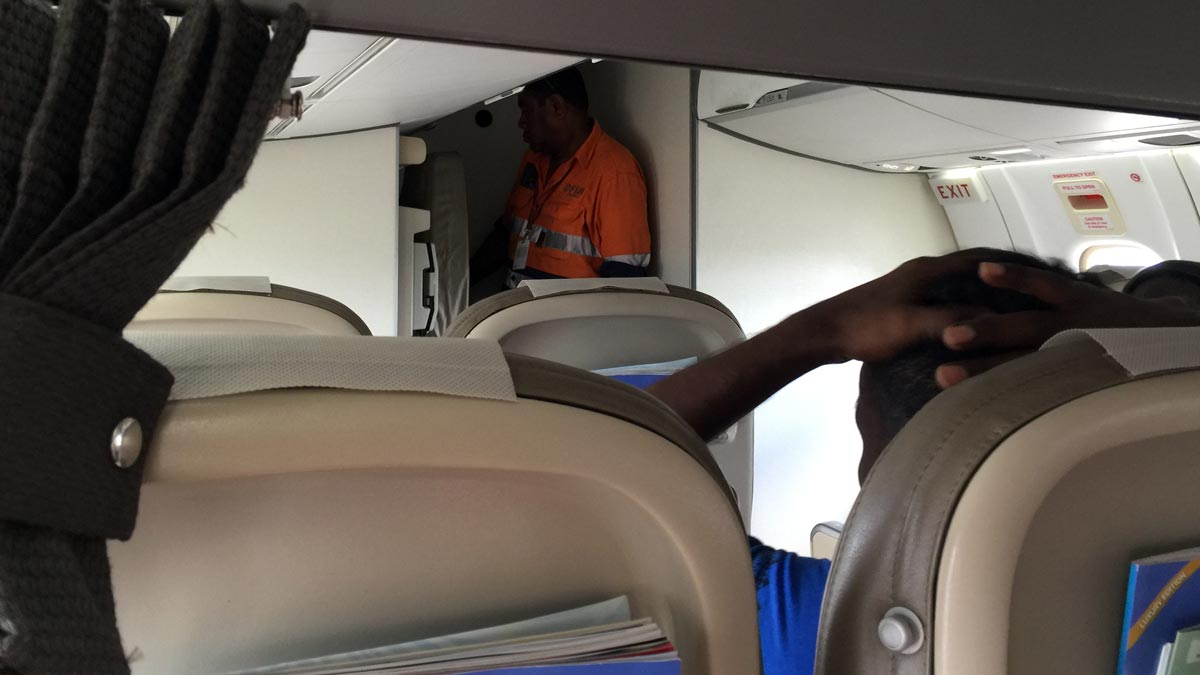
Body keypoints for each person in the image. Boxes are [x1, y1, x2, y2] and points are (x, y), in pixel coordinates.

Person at [646, 248, 1200, 675]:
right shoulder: (1170, 601)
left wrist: (825, 330)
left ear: (871, 435)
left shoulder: (796, 618)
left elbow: (612, 456)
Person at [470, 67, 652, 291]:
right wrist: (461, 283)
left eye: (526, 111)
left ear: (556, 106)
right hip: (518, 313)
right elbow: (506, 234)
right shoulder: (534, 159)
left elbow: (625, 282)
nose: (521, 122)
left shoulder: (615, 172)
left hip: (565, 323)